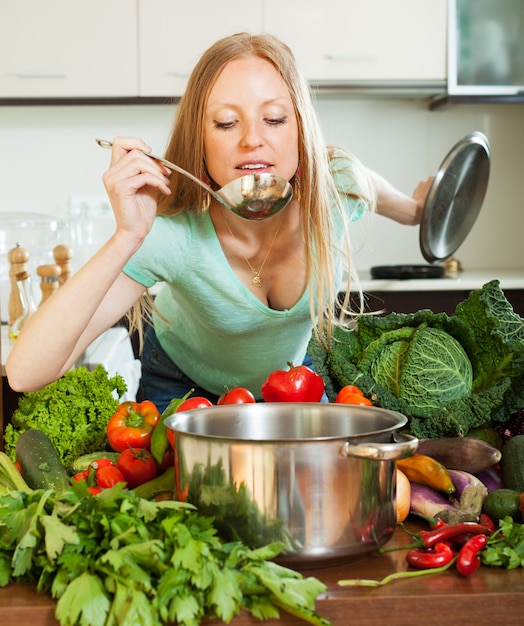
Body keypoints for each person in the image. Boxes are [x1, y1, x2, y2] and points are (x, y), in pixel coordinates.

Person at [6, 33, 430, 412]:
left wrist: (416, 211)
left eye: (276, 118)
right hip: (184, 388)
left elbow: (381, 192)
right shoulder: (173, 235)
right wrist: (127, 236)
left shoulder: (337, 189)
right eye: (227, 123)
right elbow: (26, 373)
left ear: (301, 130)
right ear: (200, 142)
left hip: (293, 380)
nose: (252, 139)